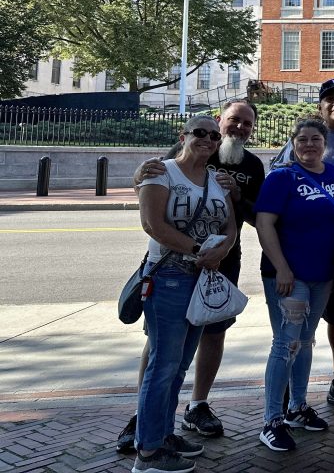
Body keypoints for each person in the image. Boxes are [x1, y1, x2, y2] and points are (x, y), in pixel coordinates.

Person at [117, 101, 265, 454]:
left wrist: (236, 199)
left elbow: (253, 216)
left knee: (210, 334)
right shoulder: (175, 158)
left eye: (247, 123)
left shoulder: (251, 165)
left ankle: (195, 406)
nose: (237, 128)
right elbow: (151, 191)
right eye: (232, 121)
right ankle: (145, 421)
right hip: (172, 265)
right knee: (161, 349)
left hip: (219, 263)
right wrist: (137, 176)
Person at [132, 115, 236, 473]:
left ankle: (164, 434)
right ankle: (147, 452)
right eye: (200, 133)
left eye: (214, 136)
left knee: (178, 366)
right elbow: (152, 224)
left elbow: (230, 224)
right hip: (169, 277)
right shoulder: (160, 172)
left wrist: (223, 250)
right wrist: (198, 250)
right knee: (162, 365)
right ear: (184, 136)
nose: (207, 139)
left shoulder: (217, 179)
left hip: (201, 279)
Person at [255, 118, 334, 452]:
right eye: (302, 139)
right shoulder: (282, 178)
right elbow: (265, 225)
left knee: (306, 341)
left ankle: (297, 407)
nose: (309, 145)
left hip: (324, 275)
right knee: (286, 344)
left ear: (325, 143)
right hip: (288, 276)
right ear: (293, 143)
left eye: (315, 139)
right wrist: (282, 268)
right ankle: (272, 420)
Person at [270, 78, 334, 414]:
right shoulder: (305, 140)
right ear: (320, 106)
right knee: (295, 324)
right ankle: (285, 391)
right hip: (302, 249)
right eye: (330, 99)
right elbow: (278, 183)